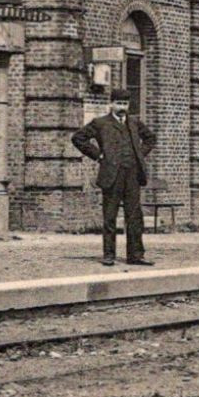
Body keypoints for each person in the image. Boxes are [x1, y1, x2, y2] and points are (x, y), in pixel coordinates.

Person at [71, 88, 157, 267]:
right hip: (112, 175)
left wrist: (139, 154)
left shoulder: (134, 122)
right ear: (111, 104)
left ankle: (136, 255)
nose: (121, 107)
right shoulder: (100, 123)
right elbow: (78, 138)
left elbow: (150, 138)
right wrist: (98, 155)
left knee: (134, 216)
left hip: (132, 175)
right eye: (118, 103)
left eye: (125, 104)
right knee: (110, 216)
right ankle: (109, 255)